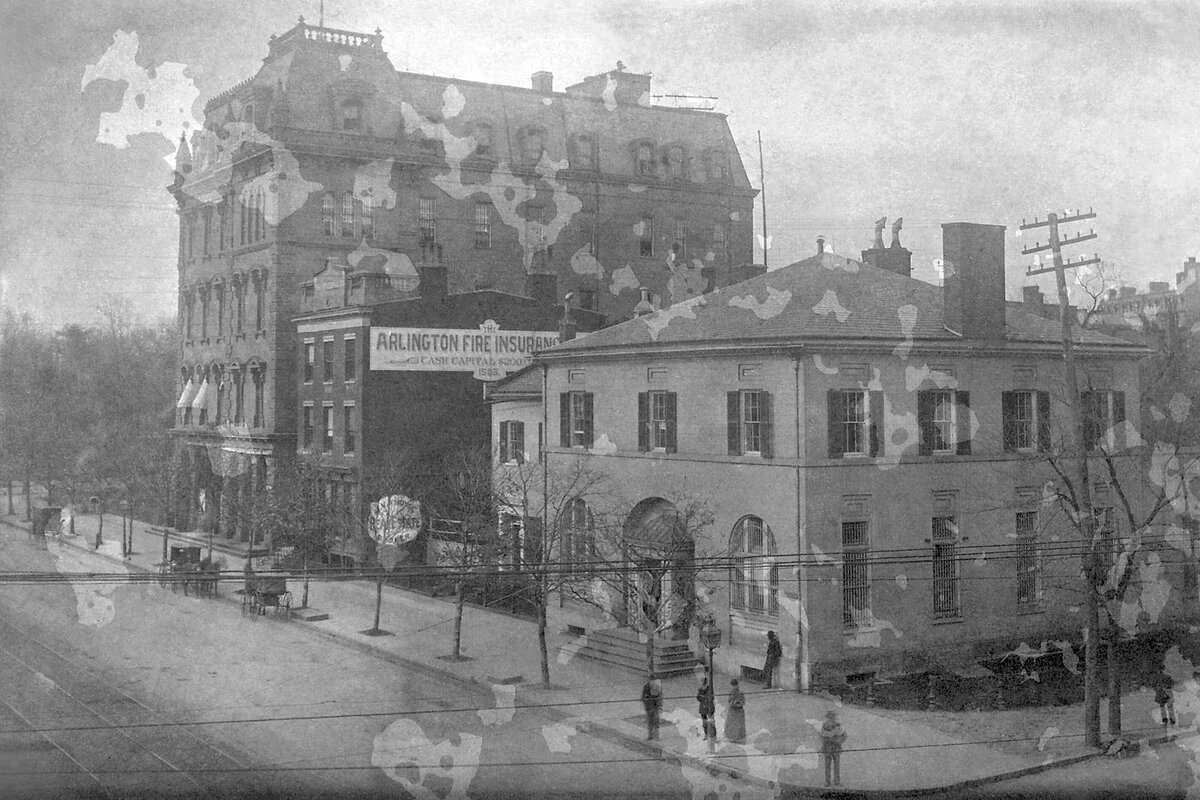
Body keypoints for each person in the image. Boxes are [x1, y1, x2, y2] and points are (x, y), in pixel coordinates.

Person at [820, 709, 846, 787]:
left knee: (835, 766)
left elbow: (844, 735)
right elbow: (824, 736)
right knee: (830, 765)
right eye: (831, 718)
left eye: (833, 718)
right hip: (831, 747)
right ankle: (830, 782)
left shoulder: (838, 726)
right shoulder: (826, 726)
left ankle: (835, 781)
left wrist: (838, 740)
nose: (832, 719)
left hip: (834, 747)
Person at [724, 678, 746, 743]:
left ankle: (737, 738)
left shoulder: (740, 693)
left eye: (734, 685)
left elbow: (743, 702)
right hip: (733, 710)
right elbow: (729, 701)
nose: (733, 687)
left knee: (737, 725)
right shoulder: (732, 692)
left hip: (737, 711)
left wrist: (737, 703)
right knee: (733, 724)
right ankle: (733, 737)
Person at [697, 674, 716, 745]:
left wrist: (704, 698)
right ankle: (707, 734)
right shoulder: (701, 689)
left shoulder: (709, 689)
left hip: (708, 707)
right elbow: (698, 698)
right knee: (705, 721)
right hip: (704, 707)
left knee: (710, 721)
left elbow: (712, 697)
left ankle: (712, 735)